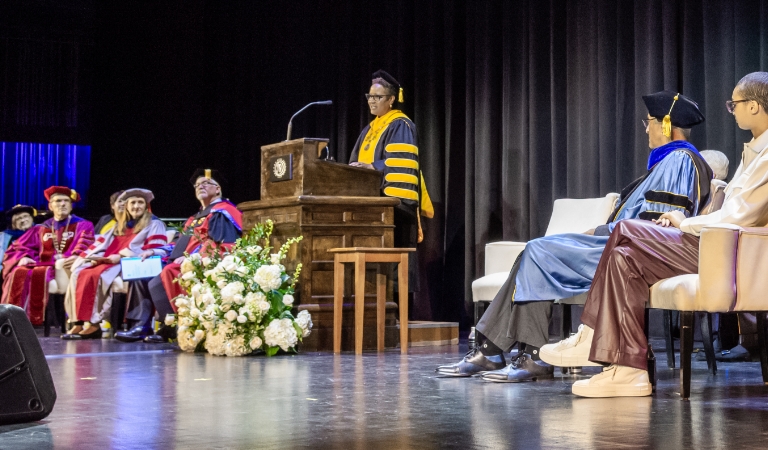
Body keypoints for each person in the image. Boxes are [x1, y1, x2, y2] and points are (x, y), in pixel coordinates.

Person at [437, 91, 714, 382]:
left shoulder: (681, 159)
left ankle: (521, 355)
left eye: (648, 123)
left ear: (665, 125)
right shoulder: (671, 161)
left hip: (630, 249)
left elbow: (656, 223)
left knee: (538, 252)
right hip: (620, 242)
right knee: (533, 252)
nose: (646, 130)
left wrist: (597, 231)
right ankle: (499, 351)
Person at [539, 72, 768, 398]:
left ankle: (592, 334)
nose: (732, 110)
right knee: (623, 257)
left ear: (756, 107)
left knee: (626, 229)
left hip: (729, 250)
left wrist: (682, 221)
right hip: (717, 241)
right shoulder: (754, 153)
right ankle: (628, 370)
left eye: (736, 104)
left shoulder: (765, 155)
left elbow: (741, 216)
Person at [117, 169, 243, 343]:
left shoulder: (222, 212)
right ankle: (139, 326)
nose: (200, 186)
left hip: (204, 262)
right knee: (141, 270)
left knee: (163, 275)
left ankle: (172, 326)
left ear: (218, 189)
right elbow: (177, 246)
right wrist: (154, 251)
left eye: (205, 183)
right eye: (197, 185)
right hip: (182, 260)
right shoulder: (194, 218)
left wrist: (193, 256)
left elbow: (221, 243)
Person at [349, 69, 434, 294]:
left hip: (395, 210)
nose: (372, 101)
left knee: (395, 273)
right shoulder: (369, 130)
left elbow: (402, 164)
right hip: (371, 211)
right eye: (370, 96)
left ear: (392, 99)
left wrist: (373, 167)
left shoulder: (400, 125)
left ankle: (396, 319)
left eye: (378, 97)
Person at [62, 189, 167, 339]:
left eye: (140, 203)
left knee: (99, 275)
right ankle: (79, 323)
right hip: (110, 260)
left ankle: (94, 323)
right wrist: (92, 257)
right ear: (127, 206)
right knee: (80, 272)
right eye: (132, 203)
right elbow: (101, 244)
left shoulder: (154, 223)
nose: (136, 206)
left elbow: (154, 249)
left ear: (146, 206)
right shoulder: (119, 225)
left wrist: (121, 256)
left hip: (129, 262)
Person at [1, 187, 94, 325]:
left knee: (37, 274)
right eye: (58, 201)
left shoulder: (83, 225)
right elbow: (19, 247)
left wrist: (73, 255)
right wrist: (23, 257)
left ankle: (32, 320)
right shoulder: (41, 227)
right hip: (44, 266)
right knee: (18, 272)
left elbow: (85, 244)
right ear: (50, 206)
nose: (62, 204)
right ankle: (12, 321)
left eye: (66, 201)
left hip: (66, 268)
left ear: (71, 204)